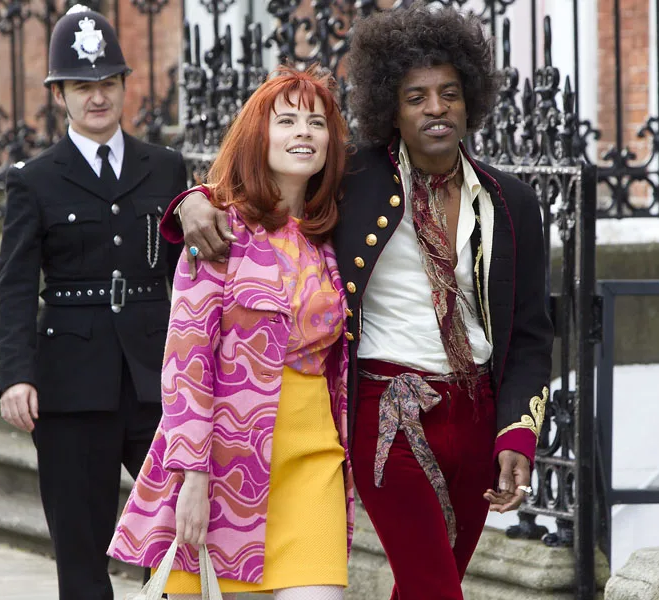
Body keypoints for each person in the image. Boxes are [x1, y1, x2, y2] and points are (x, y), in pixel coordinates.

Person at [160, 5, 554, 600]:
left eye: (449, 94)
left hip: (476, 411)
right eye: (416, 96)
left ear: (471, 100)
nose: (436, 108)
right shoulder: (354, 178)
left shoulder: (513, 202)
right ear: (391, 107)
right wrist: (192, 201)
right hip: (387, 410)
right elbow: (270, 184)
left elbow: (529, 334)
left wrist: (517, 432)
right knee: (435, 589)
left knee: (432, 582)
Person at [108, 65, 355, 600]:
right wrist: (192, 476)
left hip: (314, 457)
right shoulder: (219, 229)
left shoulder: (334, 232)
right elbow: (186, 363)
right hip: (227, 465)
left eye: (316, 123)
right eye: (286, 121)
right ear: (258, 136)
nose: (304, 132)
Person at [0, 5, 187, 599]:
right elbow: (16, 284)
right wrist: (15, 375)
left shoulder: (166, 168)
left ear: (125, 85)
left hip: (156, 377)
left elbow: (187, 277)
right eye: (82, 86)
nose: (97, 97)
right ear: (60, 95)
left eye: (107, 82)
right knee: (80, 554)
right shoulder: (35, 179)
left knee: (178, 541)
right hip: (71, 386)